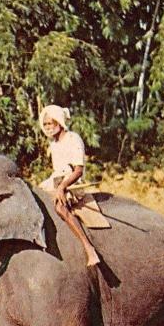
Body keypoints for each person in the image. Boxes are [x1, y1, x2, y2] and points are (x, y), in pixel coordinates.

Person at [38, 105, 101, 267]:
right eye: (45, 125)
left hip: (73, 183)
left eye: (50, 123)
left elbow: (78, 171)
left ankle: (89, 248)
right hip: (58, 181)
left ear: (59, 122)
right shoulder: (54, 144)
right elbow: (57, 170)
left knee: (60, 207)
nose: (48, 128)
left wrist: (62, 187)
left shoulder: (73, 138)